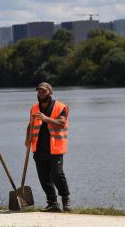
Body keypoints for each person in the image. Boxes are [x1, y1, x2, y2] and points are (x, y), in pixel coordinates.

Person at [25, 82, 71, 212]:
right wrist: (27, 138)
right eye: (39, 91)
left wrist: (46, 118)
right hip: (38, 148)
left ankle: (66, 201)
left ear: (50, 92)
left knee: (57, 174)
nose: (40, 94)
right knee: (44, 177)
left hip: (55, 148)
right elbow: (30, 124)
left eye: (43, 91)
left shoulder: (60, 106)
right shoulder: (34, 108)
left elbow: (61, 123)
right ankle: (52, 203)